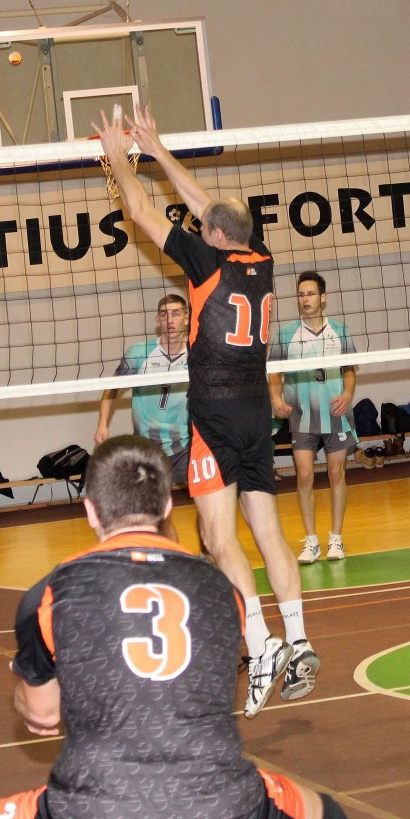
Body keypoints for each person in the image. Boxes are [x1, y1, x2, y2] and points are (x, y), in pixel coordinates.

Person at [0, 436, 355, 819]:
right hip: (223, 808)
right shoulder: (222, 590)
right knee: (325, 815)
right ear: (168, 507)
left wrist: (28, 695)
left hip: (94, 814)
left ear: (91, 511)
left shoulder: (50, 593)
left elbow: (43, 714)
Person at [94, 105, 317, 718]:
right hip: (256, 413)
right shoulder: (261, 258)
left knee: (219, 539)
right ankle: (299, 640)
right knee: (268, 533)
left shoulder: (208, 263)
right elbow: (211, 208)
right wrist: (158, 149)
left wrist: (118, 156)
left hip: (215, 416)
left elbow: (142, 209)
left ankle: (262, 644)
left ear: (212, 237)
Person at [269, 271, 357, 563]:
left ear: (323, 298)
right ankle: (311, 542)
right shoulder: (286, 334)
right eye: (301, 294)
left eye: (310, 294)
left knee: (336, 473)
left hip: (335, 412)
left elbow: (350, 369)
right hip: (302, 414)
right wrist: (276, 398)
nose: (305, 299)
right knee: (305, 476)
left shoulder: (339, 330)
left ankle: (336, 539)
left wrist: (347, 395)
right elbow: (273, 373)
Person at [95, 293, 190, 485]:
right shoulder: (139, 353)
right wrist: (102, 424)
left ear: (186, 318)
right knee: (144, 500)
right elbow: (112, 388)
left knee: (204, 497)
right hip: (146, 447)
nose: (170, 320)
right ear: (157, 320)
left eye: (176, 314)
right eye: (164, 314)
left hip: (185, 446)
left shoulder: (197, 354)